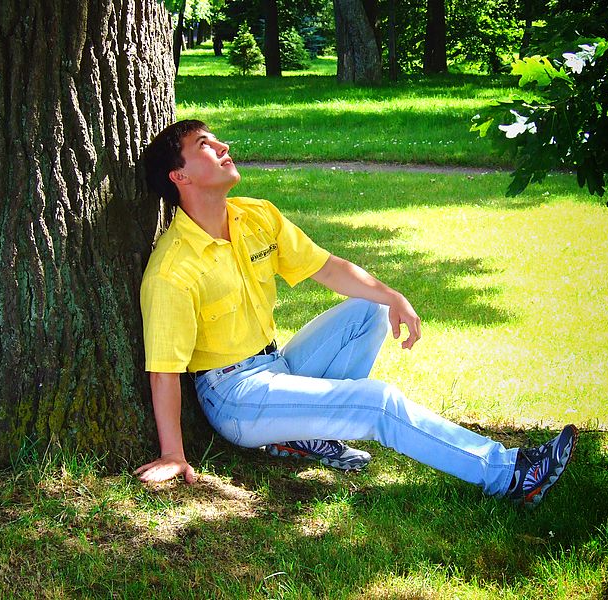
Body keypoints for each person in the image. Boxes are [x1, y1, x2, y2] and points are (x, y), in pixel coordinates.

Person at [134, 119, 578, 508]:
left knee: (371, 307)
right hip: (234, 394)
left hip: (275, 363)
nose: (223, 147)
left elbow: (327, 268)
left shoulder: (256, 216)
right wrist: (174, 453)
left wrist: (393, 296)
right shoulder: (173, 270)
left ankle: (296, 433)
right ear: (180, 176)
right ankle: (511, 475)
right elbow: (164, 373)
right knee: (376, 403)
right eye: (205, 146)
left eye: (217, 140)